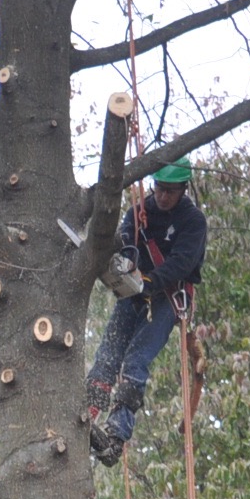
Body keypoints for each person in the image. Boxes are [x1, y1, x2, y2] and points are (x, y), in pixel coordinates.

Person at [86, 158, 206, 466]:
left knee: (136, 360)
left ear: (183, 189)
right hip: (134, 290)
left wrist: (150, 281)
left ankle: (116, 436)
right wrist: (122, 266)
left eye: (170, 191)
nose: (163, 197)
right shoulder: (139, 213)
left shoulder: (192, 222)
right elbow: (126, 241)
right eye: (159, 189)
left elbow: (182, 262)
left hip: (168, 295)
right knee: (108, 353)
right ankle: (88, 410)